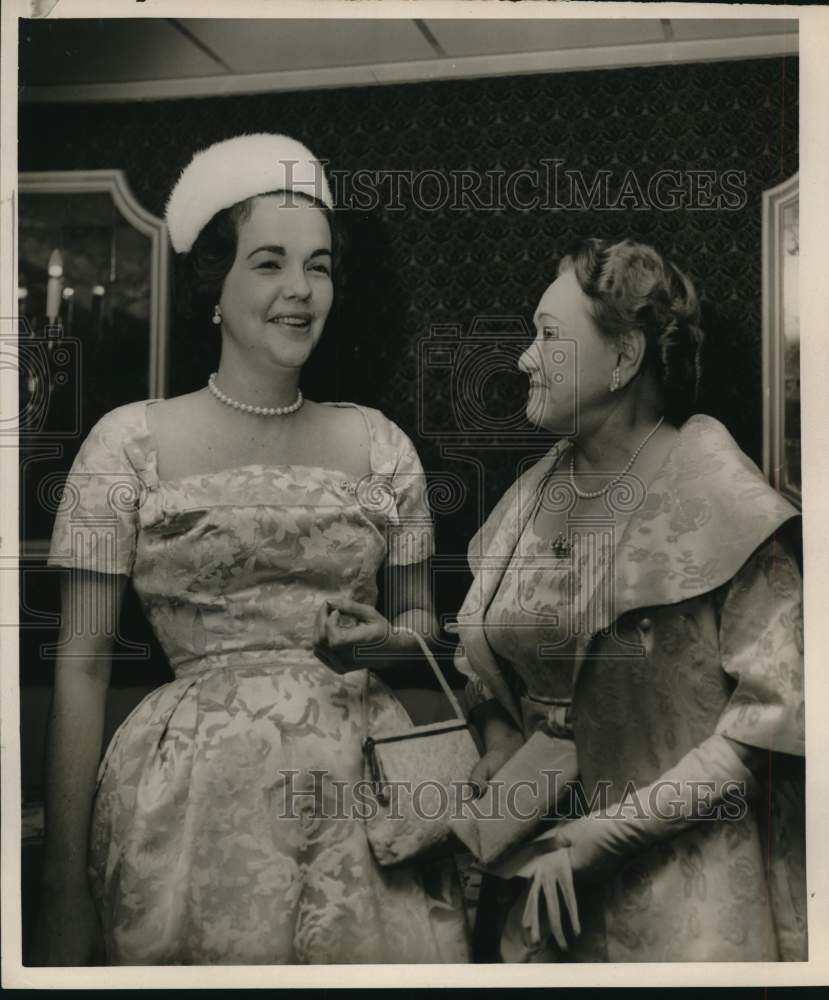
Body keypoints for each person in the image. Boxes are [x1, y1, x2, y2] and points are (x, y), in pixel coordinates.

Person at [34, 133, 470, 966]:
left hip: (361, 805)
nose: (300, 291)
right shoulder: (126, 444)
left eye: (319, 265)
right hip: (192, 808)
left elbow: (422, 631)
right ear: (215, 283)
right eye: (269, 263)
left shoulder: (383, 448)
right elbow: (81, 666)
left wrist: (388, 639)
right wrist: (60, 892)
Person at [452, 238, 806, 962]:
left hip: (687, 892)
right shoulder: (530, 496)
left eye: (548, 337)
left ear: (623, 358)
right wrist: (498, 742)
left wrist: (604, 835)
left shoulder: (715, 491)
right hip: (537, 883)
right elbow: (487, 668)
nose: (523, 358)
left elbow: (772, 722)